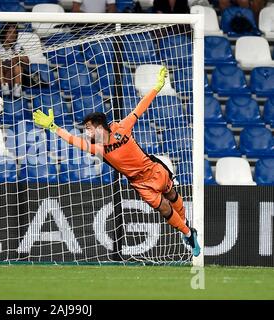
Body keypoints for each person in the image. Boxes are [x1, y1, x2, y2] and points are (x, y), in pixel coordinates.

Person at [32, 66, 201, 257]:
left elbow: (141, 107)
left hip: (153, 168)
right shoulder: (98, 149)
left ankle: (185, 224)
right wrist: (53, 127)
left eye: (88, 128)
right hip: (140, 183)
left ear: (99, 127)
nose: (86, 132)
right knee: (164, 208)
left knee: (171, 194)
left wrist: (157, 86)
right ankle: (187, 233)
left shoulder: (122, 128)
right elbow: (74, 140)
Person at [0, 23, 29, 98]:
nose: (12, 35)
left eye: (14, 33)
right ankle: (4, 86)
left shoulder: (17, 46)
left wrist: (16, 56)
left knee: (17, 64)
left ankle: (17, 89)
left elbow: (27, 61)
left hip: (12, 74)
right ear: (4, 33)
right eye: (10, 32)